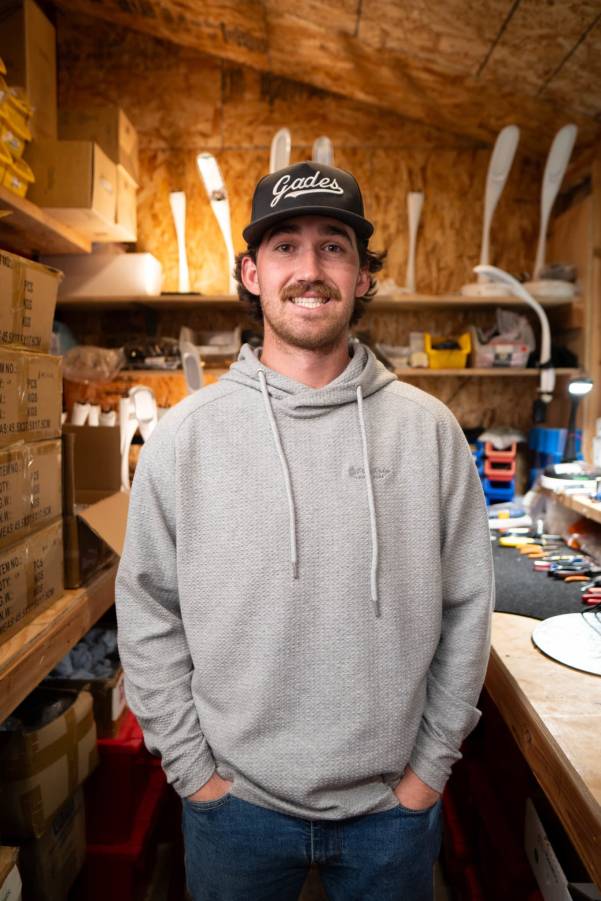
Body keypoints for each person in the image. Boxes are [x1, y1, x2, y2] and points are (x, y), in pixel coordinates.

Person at [116, 161, 494, 901]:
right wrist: (196, 773)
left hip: (391, 806)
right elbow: (149, 610)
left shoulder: (429, 432)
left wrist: (427, 771)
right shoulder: (184, 437)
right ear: (252, 273)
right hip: (235, 807)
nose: (309, 268)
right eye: (285, 246)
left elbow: (466, 606)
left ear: (360, 277)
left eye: (333, 246)